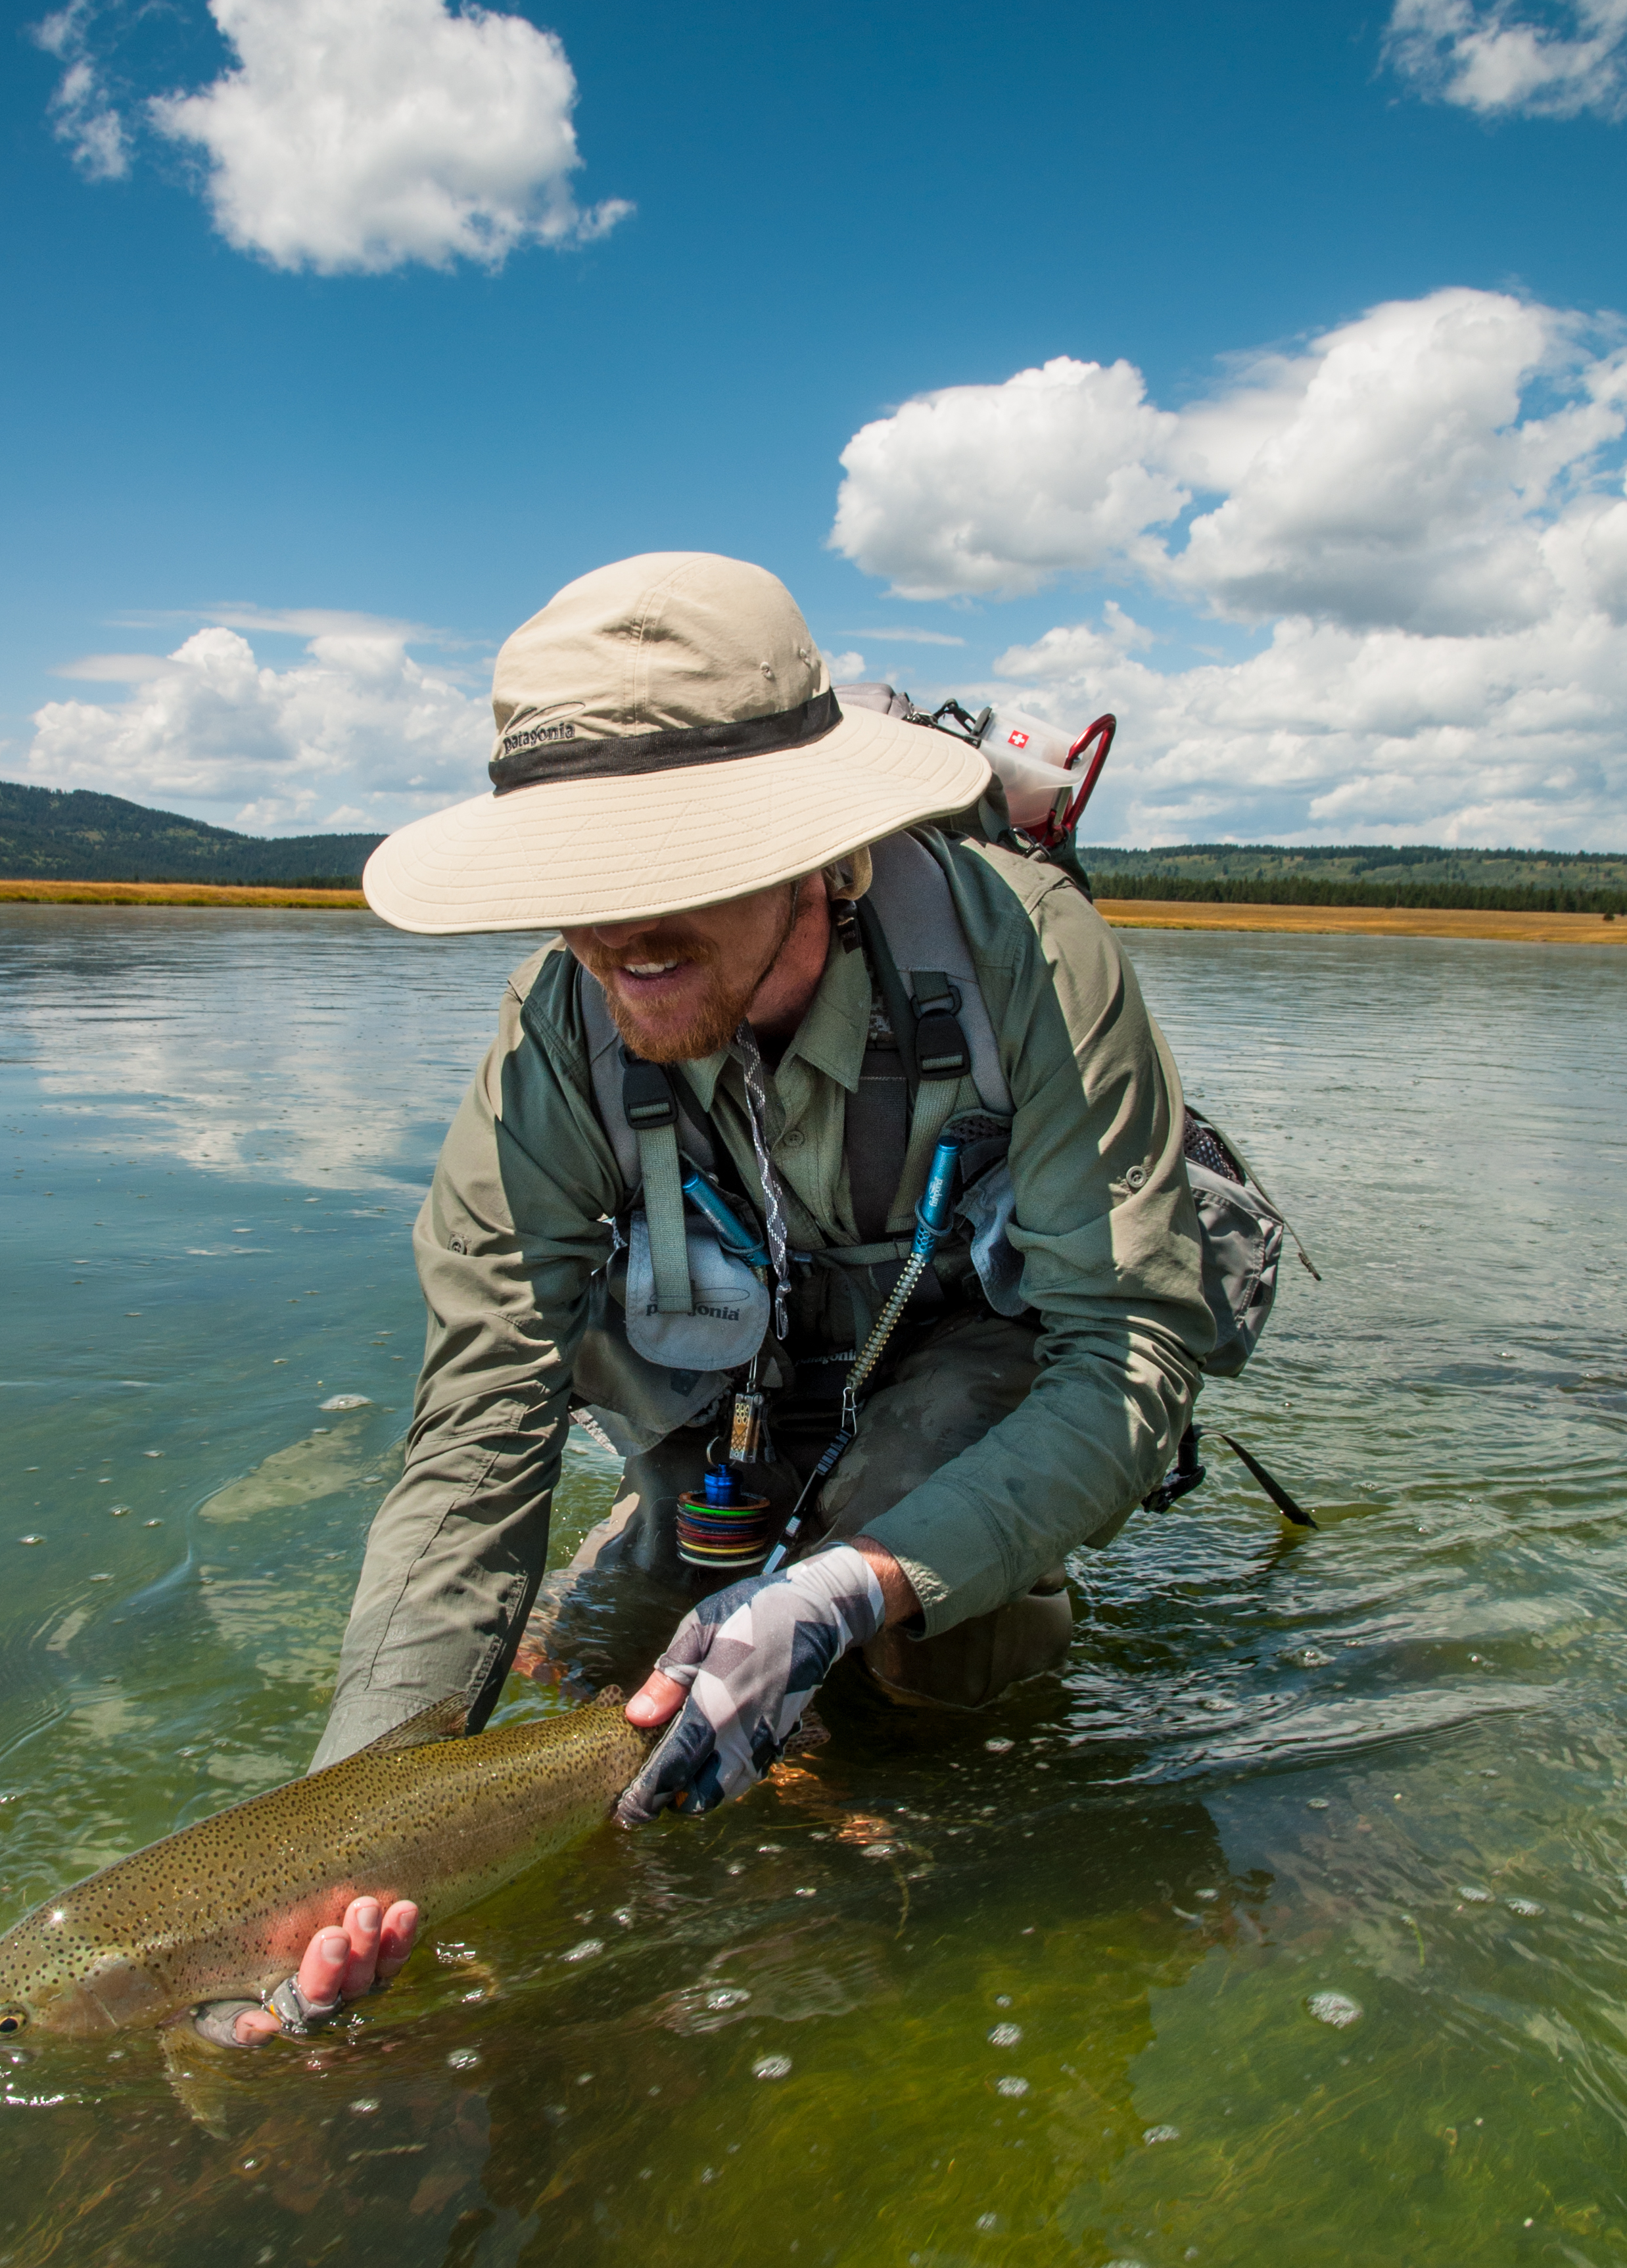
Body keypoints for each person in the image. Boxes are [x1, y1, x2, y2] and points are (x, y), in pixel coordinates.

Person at [229, 551, 1212, 2043]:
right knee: (612, 1690)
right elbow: (483, 1415)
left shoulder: (1023, 955)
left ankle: (893, 1692)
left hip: (968, 1387)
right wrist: (333, 1845)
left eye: (674, 852)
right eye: (575, 872)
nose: (617, 926)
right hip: (728, 1413)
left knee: (924, 1656)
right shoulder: (557, 1032)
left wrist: (853, 1584)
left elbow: (1131, 1349)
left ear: (819, 847)